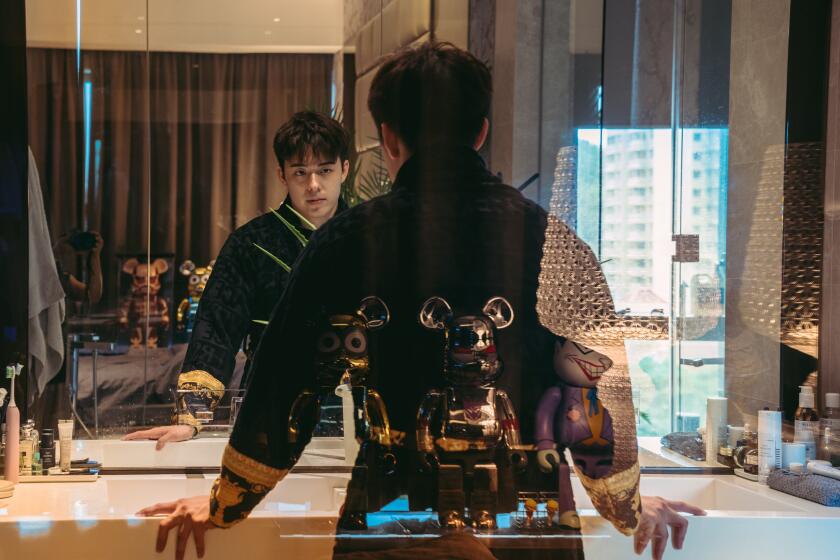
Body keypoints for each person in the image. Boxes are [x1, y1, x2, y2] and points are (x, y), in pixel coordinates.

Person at [142, 44, 704, 560]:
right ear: (481, 131)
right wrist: (622, 501)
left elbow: (284, 385)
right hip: (528, 523)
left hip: (395, 511)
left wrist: (227, 502)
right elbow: (596, 384)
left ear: (387, 138)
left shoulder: (347, 240)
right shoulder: (549, 238)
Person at [124, 111, 350, 448]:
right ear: (282, 175)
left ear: (344, 169)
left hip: (360, 417)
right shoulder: (251, 243)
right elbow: (215, 330)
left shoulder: (370, 236)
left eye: (325, 170)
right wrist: (191, 418)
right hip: (273, 409)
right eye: (300, 172)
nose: (313, 184)